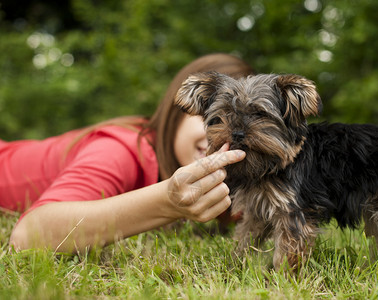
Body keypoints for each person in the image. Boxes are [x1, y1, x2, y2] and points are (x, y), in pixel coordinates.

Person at [1, 53, 254, 253]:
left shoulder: (233, 182)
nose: (228, 138)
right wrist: (167, 201)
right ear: (178, 110)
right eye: (214, 117)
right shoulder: (122, 149)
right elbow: (27, 236)